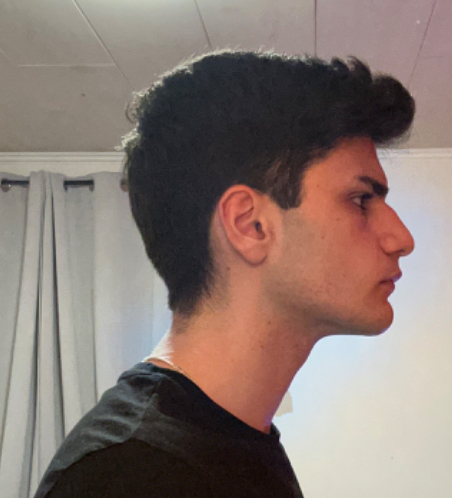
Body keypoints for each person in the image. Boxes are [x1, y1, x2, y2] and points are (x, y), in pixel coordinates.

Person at [34, 50, 415, 497]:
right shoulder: (128, 475)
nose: (401, 238)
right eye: (361, 200)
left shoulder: (230, 440)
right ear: (250, 225)